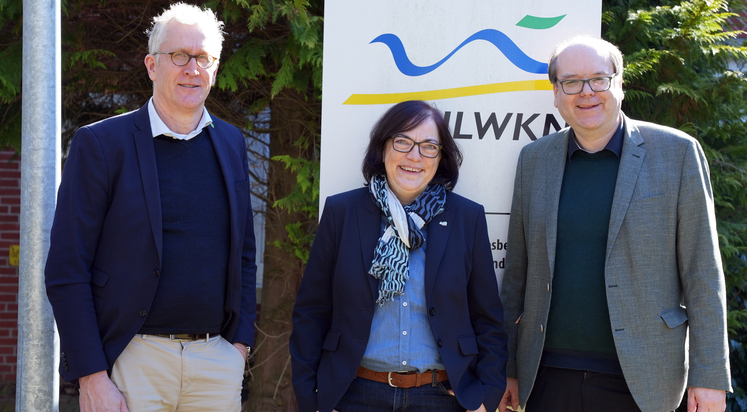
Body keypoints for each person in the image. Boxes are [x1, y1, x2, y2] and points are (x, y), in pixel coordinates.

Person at [498, 36, 732, 412]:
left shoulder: (678, 153)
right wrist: (507, 365)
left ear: (619, 84)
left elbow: (703, 273)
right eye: (571, 82)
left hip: (644, 379)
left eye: (599, 79)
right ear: (556, 94)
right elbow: (517, 277)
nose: (586, 92)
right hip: (547, 375)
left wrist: (709, 376)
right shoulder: (534, 161)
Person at [44, 3, 257, 412]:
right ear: (151, 65)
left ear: (215, 67)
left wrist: (239, 349)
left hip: (216, 364)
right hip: (131, 363)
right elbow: (67, 267)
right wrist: (91, 375)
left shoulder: (232, 144)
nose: (192, 68)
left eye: (204, 58)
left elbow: (244, 254)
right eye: (179, 56)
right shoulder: (103, 145)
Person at [290, 100, 507, 412]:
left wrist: (485, 397)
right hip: (354, 395)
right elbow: (311, 312)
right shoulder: (343, 213)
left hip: (441, 399)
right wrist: (312, 398)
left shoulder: (465, 217)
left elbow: (487, 319)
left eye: (428, 146)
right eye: (403, 142)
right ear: (382, 149)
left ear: (440, 157)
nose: (415, 156)